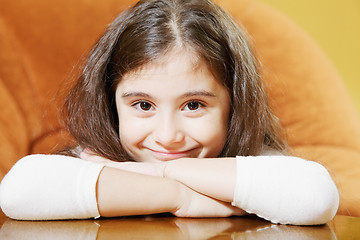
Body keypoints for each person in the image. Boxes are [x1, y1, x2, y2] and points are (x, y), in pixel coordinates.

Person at [0, 0, 339, 225]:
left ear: (234, 104)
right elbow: (18, 191)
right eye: (143, 105)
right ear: (111, 104)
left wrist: (157, 173)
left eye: (194, 105)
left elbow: (315, 196)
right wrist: (180, 196)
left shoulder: (252, 161)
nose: (167, 136)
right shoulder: (95, 157)